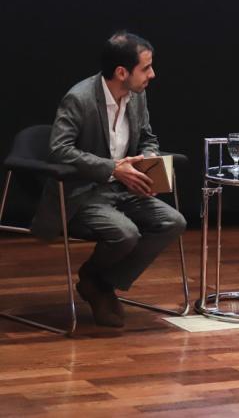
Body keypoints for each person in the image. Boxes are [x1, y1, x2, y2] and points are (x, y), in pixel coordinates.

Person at [34, 32, 187, 327]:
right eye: (146, 68)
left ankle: (97, 281)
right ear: (121, 72)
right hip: (82, 193)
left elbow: (147, 137)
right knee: (125, 233)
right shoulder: (79, 99)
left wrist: (148, 164)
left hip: (123, 189)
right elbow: (59, 150)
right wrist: (112, 168)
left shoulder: (137, 96)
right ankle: (98, 285)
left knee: (174, 222)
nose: (152, 75)